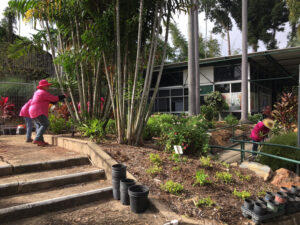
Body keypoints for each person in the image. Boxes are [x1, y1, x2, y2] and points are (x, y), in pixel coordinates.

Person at [29, 80, 66, 147]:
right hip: (38, 110)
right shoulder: (43, 92)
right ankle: (37, 139)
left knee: (40, 126)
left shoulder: (37, 92)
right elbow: (54, 98)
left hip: (32, 110)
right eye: (47, 86)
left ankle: (41, 141)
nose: (48, 87)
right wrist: (63, 96)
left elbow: (49, 101)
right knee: (45, 124)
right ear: (42, 87)